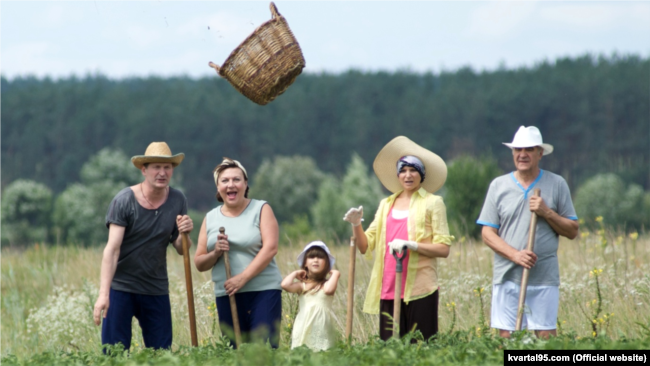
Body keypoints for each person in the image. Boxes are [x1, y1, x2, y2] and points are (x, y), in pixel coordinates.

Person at [343, 136, 454, 341]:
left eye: (413, 170)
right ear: (397, 175)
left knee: (421, 347)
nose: (408, 175)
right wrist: (357, 225)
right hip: (389, 287)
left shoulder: (433, 203)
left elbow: (443, 248)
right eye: (403, 170)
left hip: (421, 289)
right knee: (391, 351)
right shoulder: (386, 204)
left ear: (421, 174)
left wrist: (412, 245)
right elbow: (365, 245)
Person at [477, 125, 579, 339]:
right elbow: (487, 233)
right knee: (507, 336)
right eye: (518, 149)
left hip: (544, 275)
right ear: (513, 153)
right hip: (507, 274)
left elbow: (572, 230)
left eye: (529, 149)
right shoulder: (499, 185)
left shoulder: (556, 183)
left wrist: (546, 212)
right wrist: (516, 255)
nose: (522, 154)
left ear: (540, 153)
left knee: (545, 335)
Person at [92, 141, 194, 351]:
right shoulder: (124, 200)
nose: (162, 173)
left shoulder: (177, 199)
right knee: (114, 355)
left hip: (156, 288)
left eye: (167, 167)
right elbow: (112, 250)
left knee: (161, 355)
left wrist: (185, 233)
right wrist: (104, 294)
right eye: (156, 167)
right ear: (144, 170)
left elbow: (181, 248)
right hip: (122, 287)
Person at [194, 157, 282, 348]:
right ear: (218, 188)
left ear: (245, 184)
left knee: (263, 351)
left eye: (236, 179)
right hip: (227, 294)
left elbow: (270, 248)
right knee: (234, 351)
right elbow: (199, 263)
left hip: (263, 291)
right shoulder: (210, 218)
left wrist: (242, 278)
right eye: (224, 181)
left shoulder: (261, 209)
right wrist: (216, 252)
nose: (230, 185)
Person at [281, 241, 340, 351]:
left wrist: (335, 274)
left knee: (323, 356)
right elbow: (285, 285)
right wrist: (295, 273)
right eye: (312, 257)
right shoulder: (303, 286)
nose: (316, 260)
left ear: (327, 263)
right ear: (305, 264)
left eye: (320, 257)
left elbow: (329, 290)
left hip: (322, 330)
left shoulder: (326, 284)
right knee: (302, 355)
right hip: (303, 327)